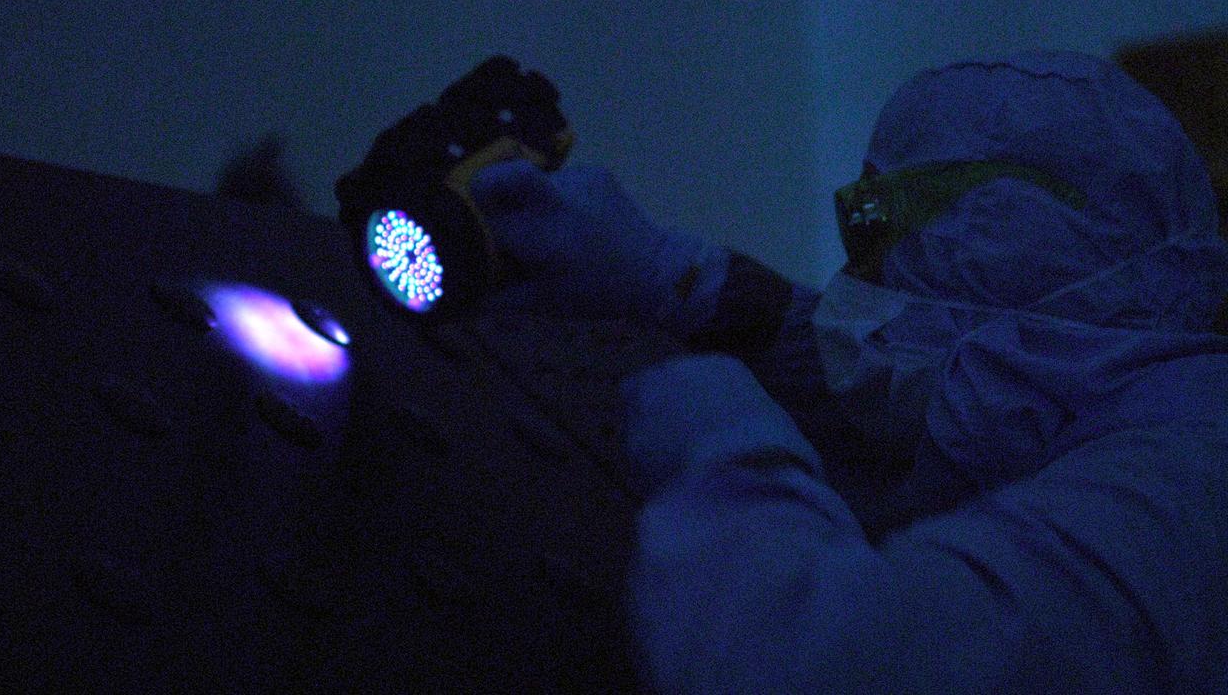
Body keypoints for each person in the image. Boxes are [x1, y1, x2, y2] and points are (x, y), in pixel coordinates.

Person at [467, 50, 1228, 693]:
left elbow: (806, 664)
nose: (860, 265)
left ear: (1020, 233)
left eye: (882, 220)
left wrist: (727, 450)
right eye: (856, 218)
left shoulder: (1179, 498)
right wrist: (685, 280)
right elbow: (937, 384)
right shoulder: (1106, 394)